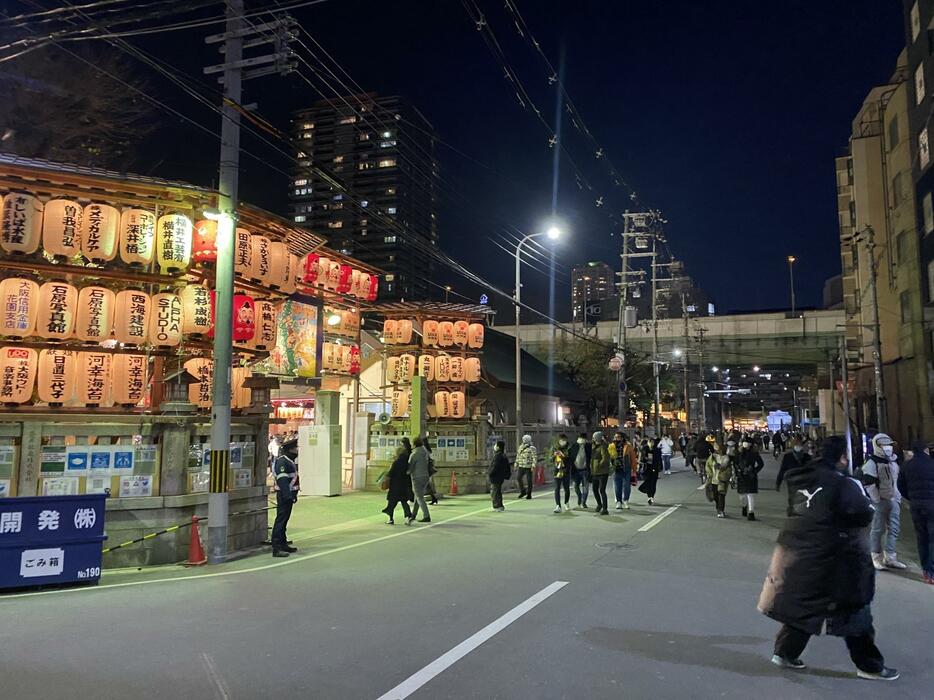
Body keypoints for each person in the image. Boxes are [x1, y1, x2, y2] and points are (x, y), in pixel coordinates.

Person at [758, 437, 899, 681]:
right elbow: (865, 513)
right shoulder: (845, 484)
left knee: (805, 606)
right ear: (842, 458)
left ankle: (785, 653)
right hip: (835, 558)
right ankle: (870, 666)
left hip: (798, 553)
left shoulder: (800, 477)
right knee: (854, 613)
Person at [860, 433, 907, 571]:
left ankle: (890, 557)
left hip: (894, 500)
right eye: (883, 445)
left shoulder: (893, 461)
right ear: (877, 446)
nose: (887, 448)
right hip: (879, 502)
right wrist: (876, 500)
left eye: (889, 445)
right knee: (877, 530)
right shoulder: (871, 462)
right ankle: (876, 557)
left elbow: (896, 481)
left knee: (894, 529)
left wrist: (897, 497)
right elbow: (869, 484)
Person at [897, 440, 934, 584]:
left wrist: (911, 497)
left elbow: (900, 486)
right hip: (932, 505)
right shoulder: (932, 464)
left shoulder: (906, 466)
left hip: (916, 506)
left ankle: (926, 570)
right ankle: (932, 570)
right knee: (932, 539)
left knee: (921, 538)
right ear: (925, 450)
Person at [271, 438, 299, 557]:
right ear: (290, 450)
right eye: (295, 448)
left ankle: (283, 544)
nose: (297, 450)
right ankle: (276, 547)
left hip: (288, 495)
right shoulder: (283, 462)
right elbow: (283, 480)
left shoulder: (288, 461)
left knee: (284, 520)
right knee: (281, 520)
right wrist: (288, 495)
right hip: (284, 495)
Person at [776, 437, 810, 516]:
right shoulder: (788, 457)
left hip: (804, 481)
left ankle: (801, 511)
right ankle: (792, 510)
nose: (798, 446)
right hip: (792, 480)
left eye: (800, 445)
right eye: (797, 445)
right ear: (793, 446)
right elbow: (782, 470)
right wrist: (778, 482)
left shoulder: (807, 457)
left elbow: (811, 469)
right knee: (792, 496)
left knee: (804, 496)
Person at [734, 438, 765, 521]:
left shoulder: (755, 453)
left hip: (751, 476)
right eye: (744, 442)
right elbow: (735, 463)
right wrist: (738, 471)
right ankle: (744, 507)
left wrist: (754, 471)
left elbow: (761, 464)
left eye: (747, 442)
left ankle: (751, 512)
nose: (746, 444)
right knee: (742, 496)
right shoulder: (738, 453)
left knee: (750, 495)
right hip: (741, 476)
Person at [382, 446, 413, 525]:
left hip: (395, 485)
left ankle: (390, 518)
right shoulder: (407, 462)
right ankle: (408, 516)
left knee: (392, 502)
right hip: (404, 485)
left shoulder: (396, 462)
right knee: (404, 502)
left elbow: (391, 473)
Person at [408, 436, 432, 523]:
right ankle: (413, 514)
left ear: (414, 444)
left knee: (419, 497)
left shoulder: (414, 454)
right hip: (426, 476)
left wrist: (407, 472)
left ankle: (426, 516)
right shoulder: (425, 452)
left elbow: (410, 468)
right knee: (418, 496)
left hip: (417, 477)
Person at [611, 432, 636, 510]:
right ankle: (618, 502)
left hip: (626, 469)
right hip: (616, 469)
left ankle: (626, 500)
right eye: (615, 437)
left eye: (618, 437)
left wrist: (634, 469)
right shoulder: (611, 446)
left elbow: (633, 458)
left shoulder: (628, 446)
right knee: (617, 487)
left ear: (622, 438)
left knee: (627, 486)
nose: (616, 438)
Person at [706, 446, 732, 517]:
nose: (719, 450)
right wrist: (709, 473)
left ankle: (721, 510)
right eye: (717, 449)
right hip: (713, 479)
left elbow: (729, 470)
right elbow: (707, 465)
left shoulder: (726, 458)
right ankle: (718, 508)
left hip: (722, 480)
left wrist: (721, 469)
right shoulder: (712, 457)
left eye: (720, 449)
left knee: (721, 495)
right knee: (715, 496)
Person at [568, 433, 592, 509]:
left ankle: (583, 502)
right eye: (581, 438)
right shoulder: (574, 446)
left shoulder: (588, 446)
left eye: (583, 438)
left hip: (585, 470)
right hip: (576, 470)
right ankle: (580, 497)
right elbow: (570, 457)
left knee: (586, 487)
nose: (582, 439)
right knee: (575, 486)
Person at [590, 431, 611, 515]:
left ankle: (605, 509)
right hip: (595, 472)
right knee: (595, 489)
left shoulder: (603, 446)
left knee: (602, 490)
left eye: (594, 437)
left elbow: (605, 458)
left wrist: (598, 465)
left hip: (602, 472)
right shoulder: (593, 446)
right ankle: (599, 504)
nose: (593, 439)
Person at [488, 440, 511, 512]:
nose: (495, 446)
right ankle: (500, 505)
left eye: (496, 445)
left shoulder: (498, 456)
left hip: (496, 477)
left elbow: (494, 466)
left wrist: (490, 473)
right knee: (498, 491)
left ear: (498, 447)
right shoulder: (503, 455)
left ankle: (496, 506)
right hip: (500, 476)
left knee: (494, 492)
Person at [638, 437, 662, 506]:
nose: (651, 443)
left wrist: (660, 467)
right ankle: (649, 496)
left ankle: (651, 497)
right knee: (648, 483)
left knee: (653, 484)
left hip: (654, 469)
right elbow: (641, 459)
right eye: (650, 442)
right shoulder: (645, 449)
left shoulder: (657, 450)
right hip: (647, 469)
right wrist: (645, 458)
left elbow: (659, 459)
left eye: (653, 442)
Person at [551, 434, 571, 513]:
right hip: (557, 471)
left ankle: (566, 502)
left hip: (566, 471)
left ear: (566, 441)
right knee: (557, 488)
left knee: (566, 488)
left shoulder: (569, 448)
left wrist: (563, 456)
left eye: (564, 441)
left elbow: (570, 460)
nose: (562, 442)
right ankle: (558, 506)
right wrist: (553, 456)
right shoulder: (554, 448)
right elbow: (550, 459)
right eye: (561, 441)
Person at [515, 434, 537, 500]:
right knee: (518, 478)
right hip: (521, 465)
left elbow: (534, 457)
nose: (524, 440)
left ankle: (529, 494)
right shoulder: (521, 447)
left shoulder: (532, 448)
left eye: (525, 439)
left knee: (529, 480)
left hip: (528, 466)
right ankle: (523, 491)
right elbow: (518, 455)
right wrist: (516, 463)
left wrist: (533, 465)